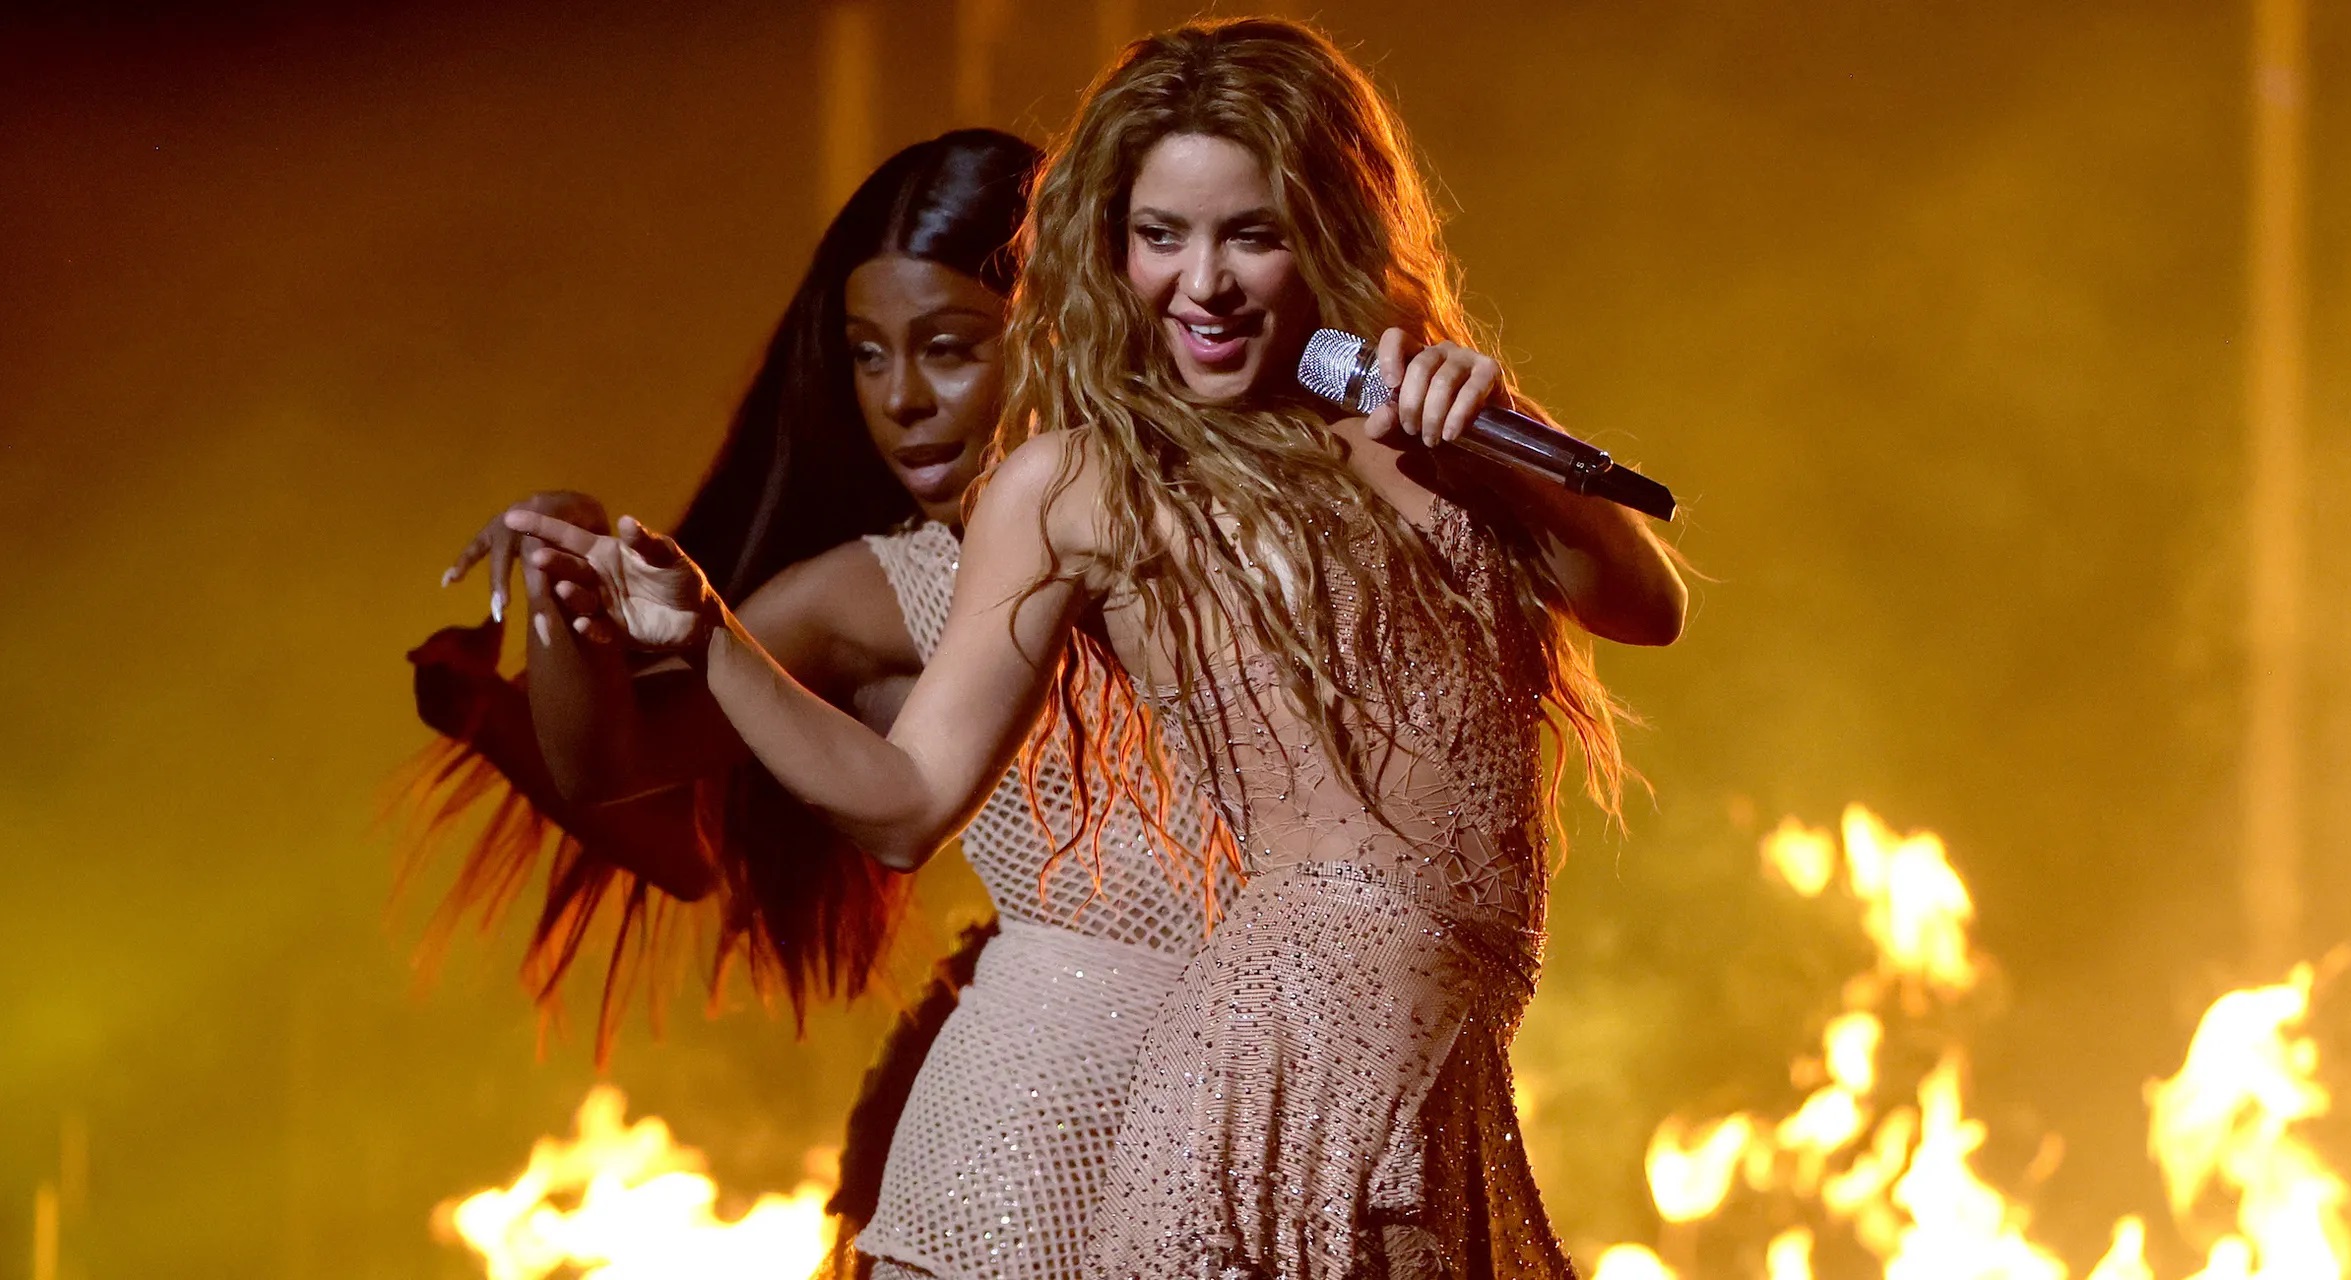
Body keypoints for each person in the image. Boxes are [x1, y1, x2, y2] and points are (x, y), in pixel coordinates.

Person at [510, 17, 1688, 1278]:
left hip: (1439, 1055)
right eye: (1161, 236)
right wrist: (711, 635)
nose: (1204, 283)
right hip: (1275, 1072)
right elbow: (905, 803)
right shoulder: (1085, 482)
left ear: (1333, 233)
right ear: (1110, 248)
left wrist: (1495, 426)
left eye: (1252, 232)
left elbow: (1645, 603)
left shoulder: (1415, 425)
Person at [402, 128, 1222, 1280]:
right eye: (867, 355)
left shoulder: (1226, 524)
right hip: (1021, 1158)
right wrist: (562, 562)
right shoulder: (871, 594)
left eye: (947, 349)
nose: (902, 400)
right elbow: (611, 763)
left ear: (1059, 327)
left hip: (1285, 1110)